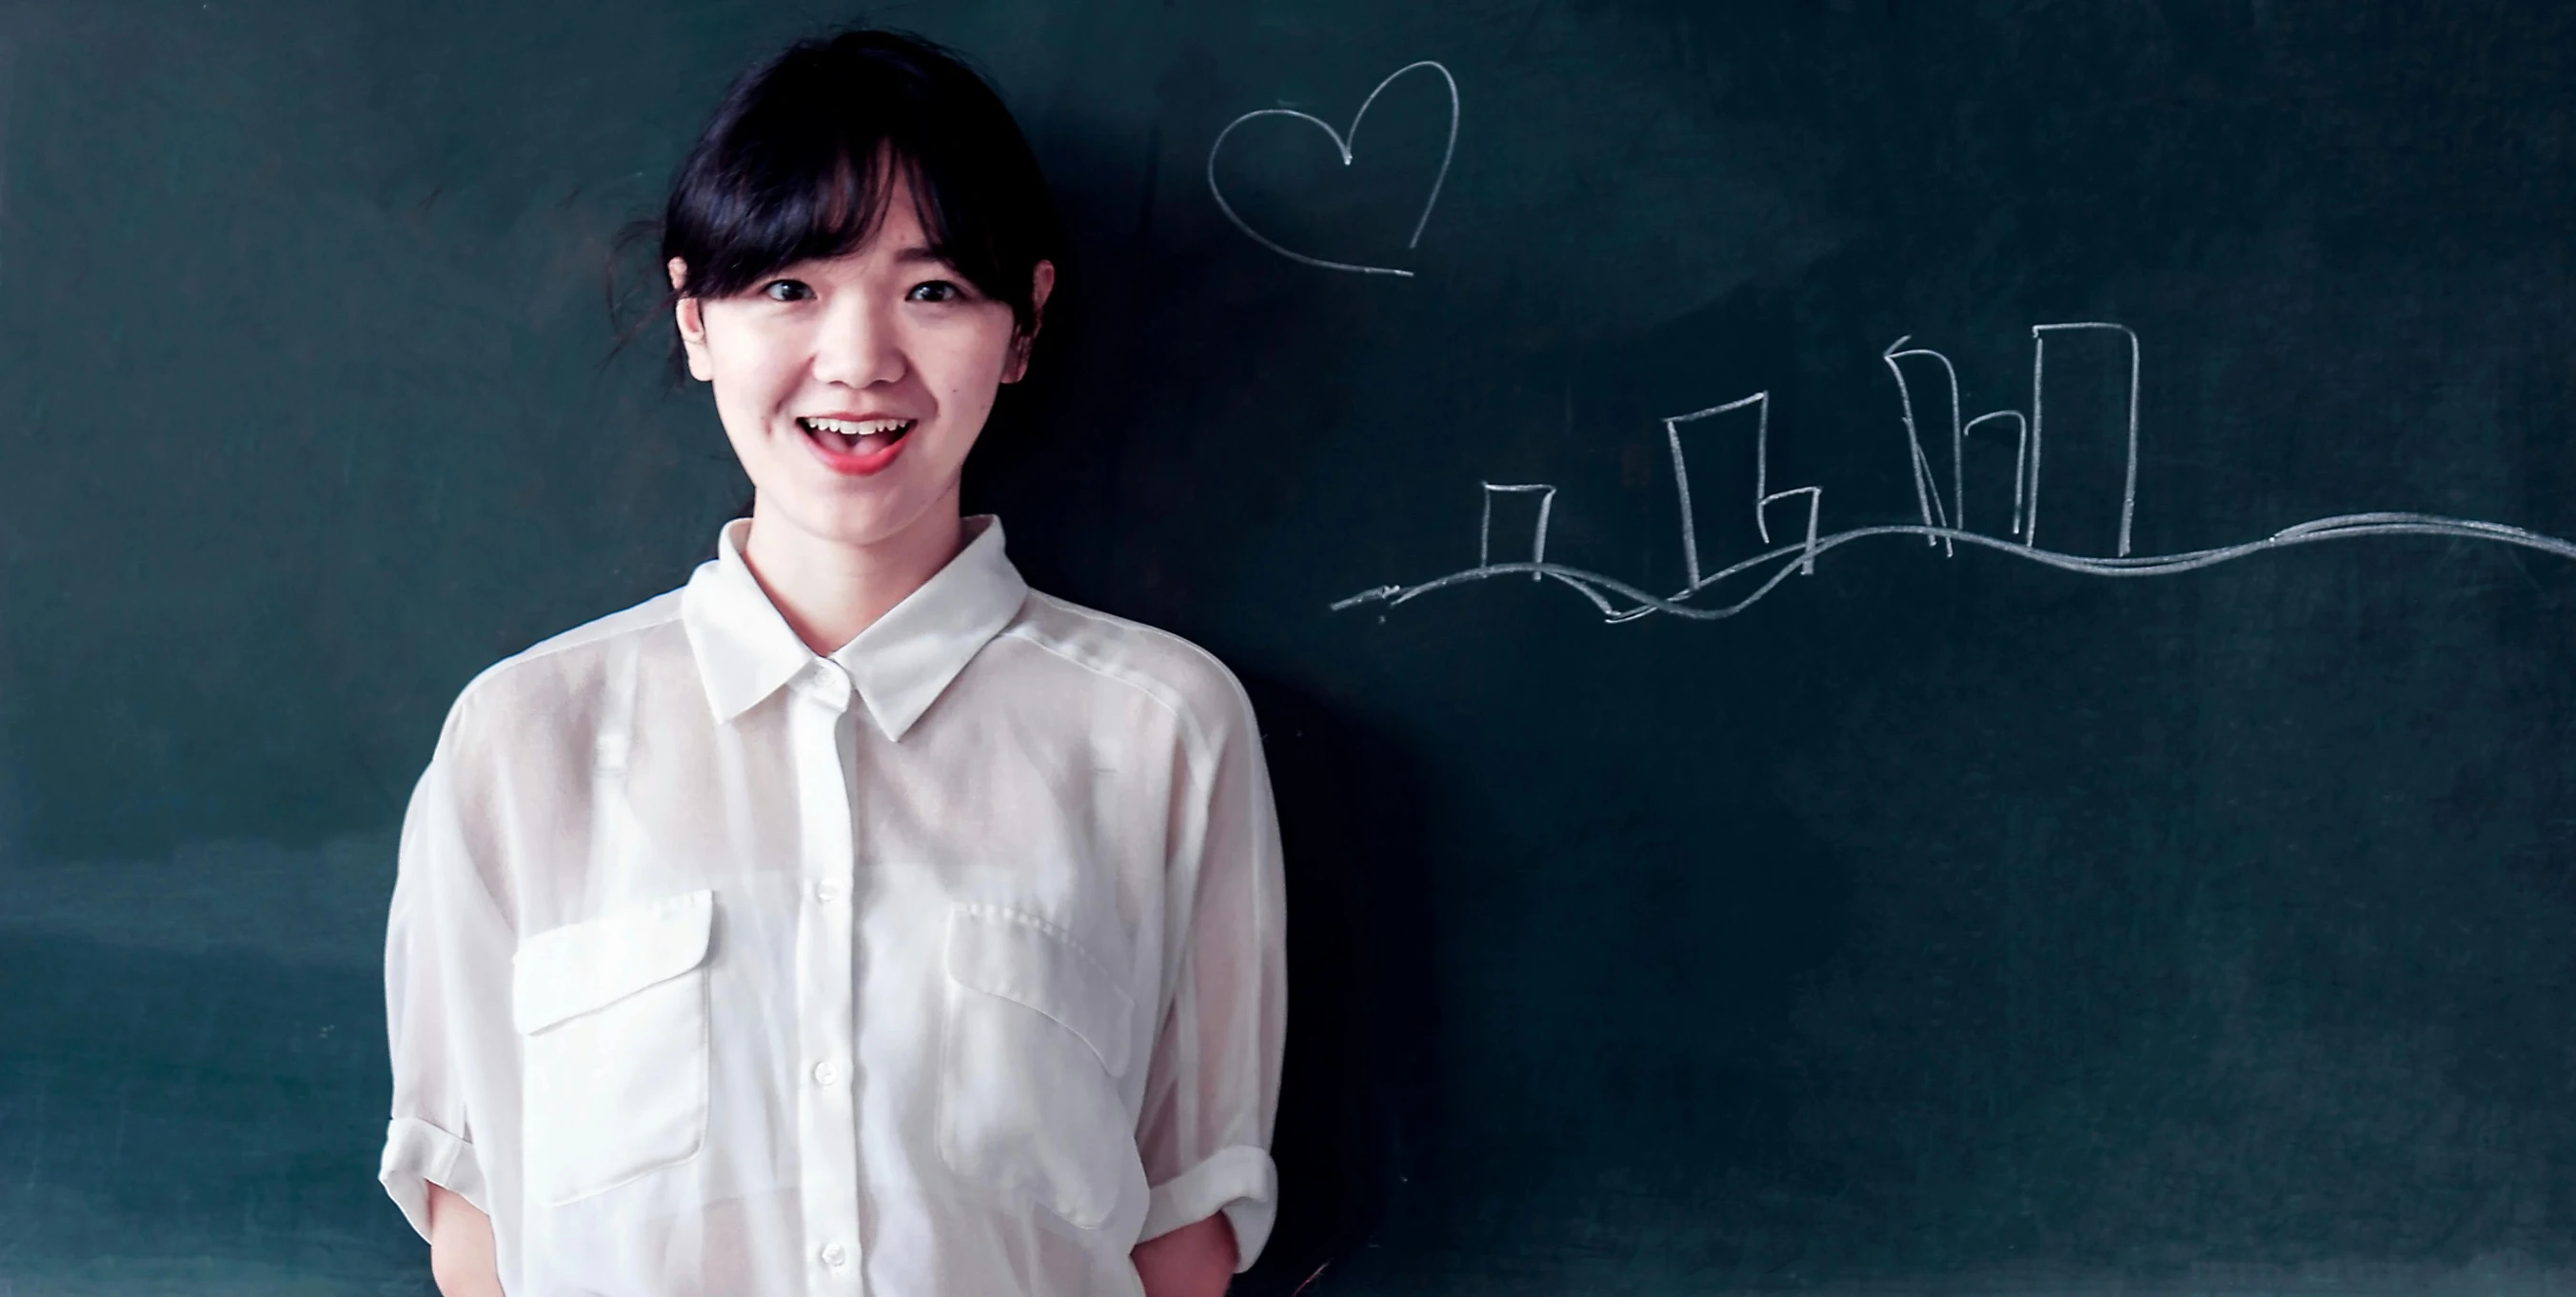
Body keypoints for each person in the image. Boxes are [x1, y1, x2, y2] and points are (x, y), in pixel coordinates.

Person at [377, 29, 1285, 1297]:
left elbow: (1182, 1229)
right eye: (789, 288)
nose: (857, 362)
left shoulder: (1159, 731)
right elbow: (472, 1218)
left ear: (1021, 324)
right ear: (696, 319)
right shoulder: (526, 738)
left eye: (931, 291)